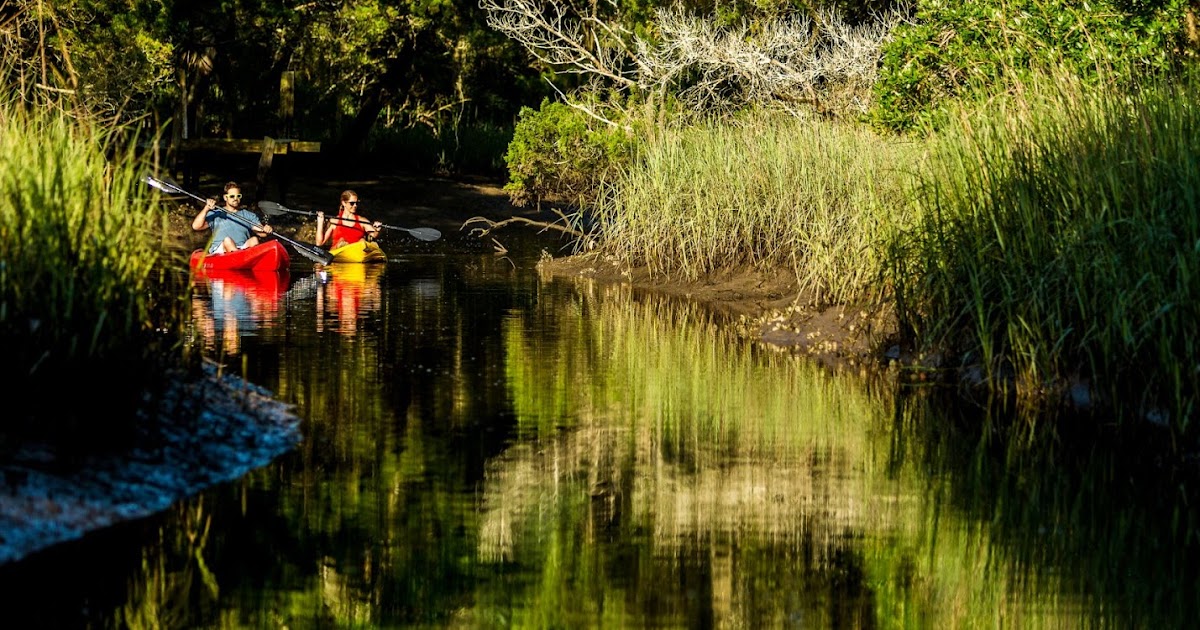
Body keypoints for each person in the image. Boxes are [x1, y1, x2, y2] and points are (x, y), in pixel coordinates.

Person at [192, 181, 273, 254]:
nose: (235, 199)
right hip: (221, 251)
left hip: (242, 249)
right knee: (228, 241)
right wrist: (206, 209)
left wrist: (266, 229)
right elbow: (196, 226)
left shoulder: (248, 215)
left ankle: (245, 260)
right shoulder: (216, 213)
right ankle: (239, 258)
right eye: (232, 196)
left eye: (238, 196)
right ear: (225, 197)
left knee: (254, 240)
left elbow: (261, 233)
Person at [315, 190, 382, 249]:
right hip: (339, 251)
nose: (355, 206)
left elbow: (374, 235)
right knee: (341, 241)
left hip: (357, 251)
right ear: (344, 203)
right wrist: (320, 222)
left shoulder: (362, 221)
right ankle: (343, 246)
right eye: (352, 203)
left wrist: (377, 229)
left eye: (357, 203)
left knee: (362, 241)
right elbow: (319, 243)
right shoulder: (334, 221)